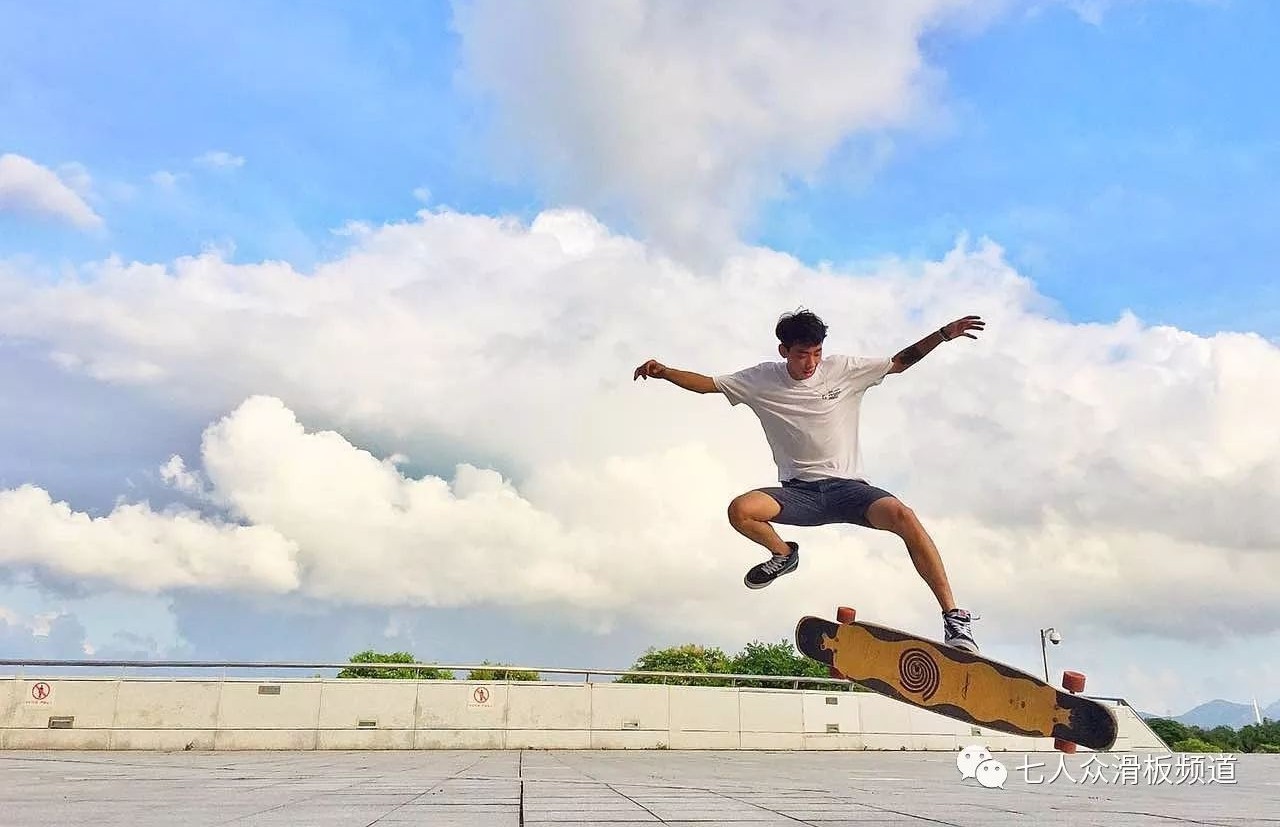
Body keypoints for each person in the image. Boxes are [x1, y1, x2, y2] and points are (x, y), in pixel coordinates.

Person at [632, 308, 985, 652]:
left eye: (817, 354)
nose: (811, 363)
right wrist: (664, 372)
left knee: (904, 516)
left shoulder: (843, 369)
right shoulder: (760, 379)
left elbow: (900, 362)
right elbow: (708, 385)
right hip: (800, 494)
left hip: (849, 490)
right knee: (741, 510)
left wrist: (942, 335)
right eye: (802, 355)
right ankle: (783, 554)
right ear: (784, 351)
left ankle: (954, 617)